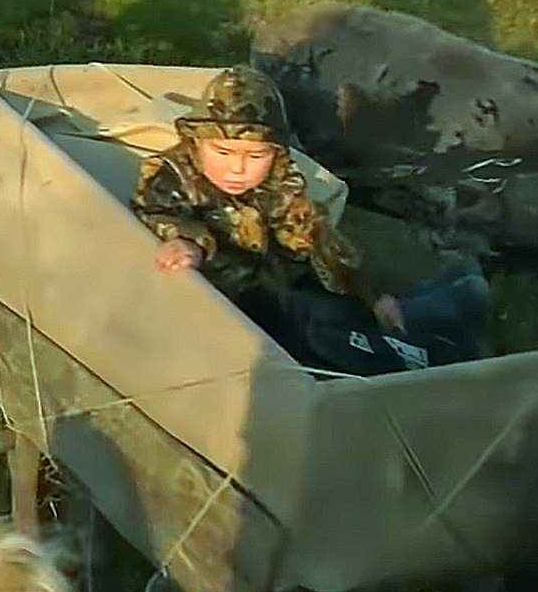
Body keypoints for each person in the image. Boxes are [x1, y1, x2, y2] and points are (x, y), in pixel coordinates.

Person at [133, 65, 491, 373]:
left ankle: (438, 308)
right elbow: (155, 207)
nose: (238, 168)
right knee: (323, 333)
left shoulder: (277, 182)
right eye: (223, 152)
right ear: (197, 143)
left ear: (275, 153)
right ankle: (440, 325)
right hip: (251, 308)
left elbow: (316, 237)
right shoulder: (174, 175)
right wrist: (187, 240)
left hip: (282, 294)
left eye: (256, 155)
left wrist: (371, 294)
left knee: (346, 312)